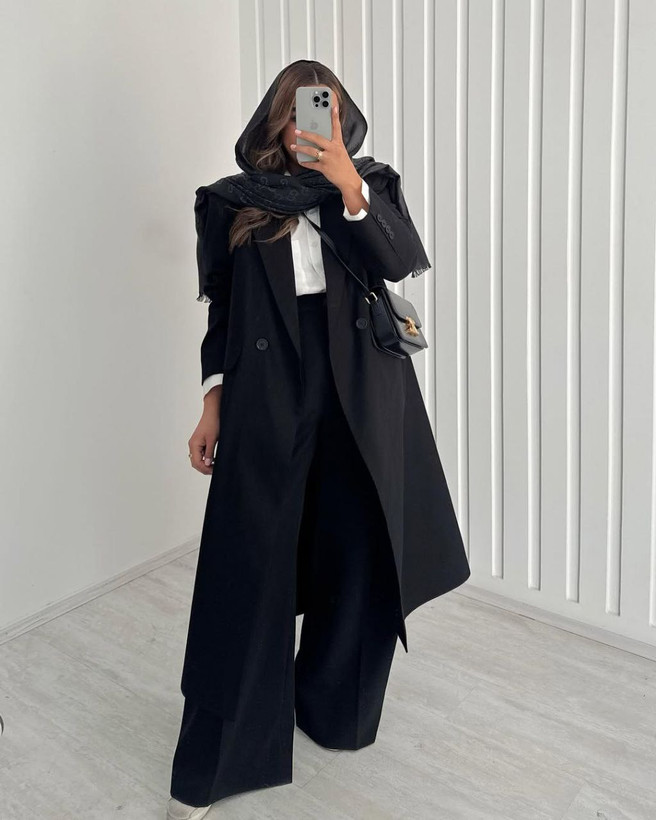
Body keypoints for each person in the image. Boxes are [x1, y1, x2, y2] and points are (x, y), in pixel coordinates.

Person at [167, 58, 471, 820]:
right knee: (248, 563)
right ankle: (222, 758)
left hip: (363, 389)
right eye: (294, 116)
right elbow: (222, 313)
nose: (304, 130)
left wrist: (346, 184)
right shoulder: (230, 203)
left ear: (343, 121)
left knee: (362, 550)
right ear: (272, 123)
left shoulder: (369, 185)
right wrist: (212, 402)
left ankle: (337, 709)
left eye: (323, 115)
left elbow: (402, 261)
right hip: (267, 389)